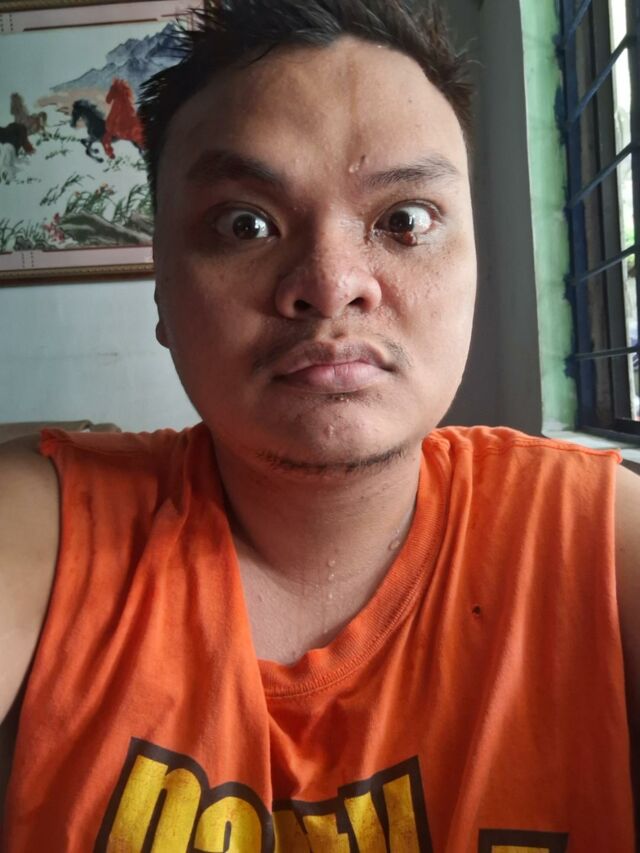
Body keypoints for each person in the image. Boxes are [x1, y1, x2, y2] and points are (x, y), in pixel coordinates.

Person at [1, 0, 639, 849]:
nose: (332, 283)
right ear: (162, 290)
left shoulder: (596, 540)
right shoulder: (43, 528)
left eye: (404, 220)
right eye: (245, 224)